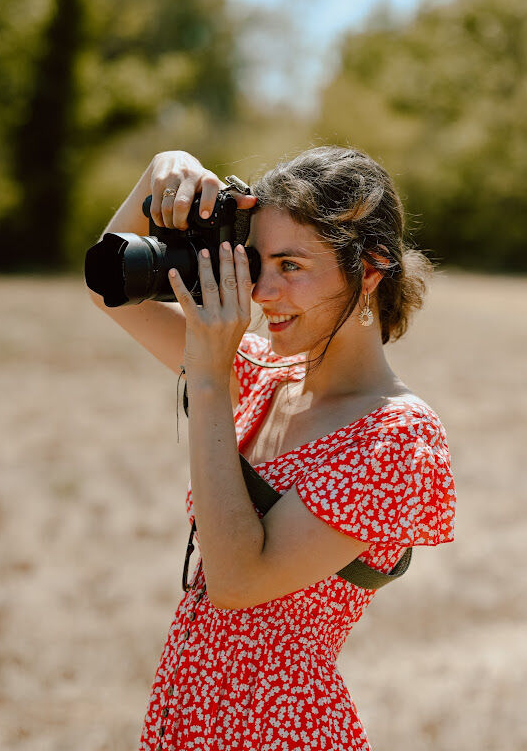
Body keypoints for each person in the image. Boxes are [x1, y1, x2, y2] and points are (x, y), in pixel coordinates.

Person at [87, 145, 456, 750]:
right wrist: (159, 172)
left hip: (280, 731)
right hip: (188, 718)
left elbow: (237, 581)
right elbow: (108, 287)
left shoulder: (396, 438)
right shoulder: (260, 375)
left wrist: (207, 380)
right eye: (258, 262)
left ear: (369, 270)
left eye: (290, 265)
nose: (261, 290)